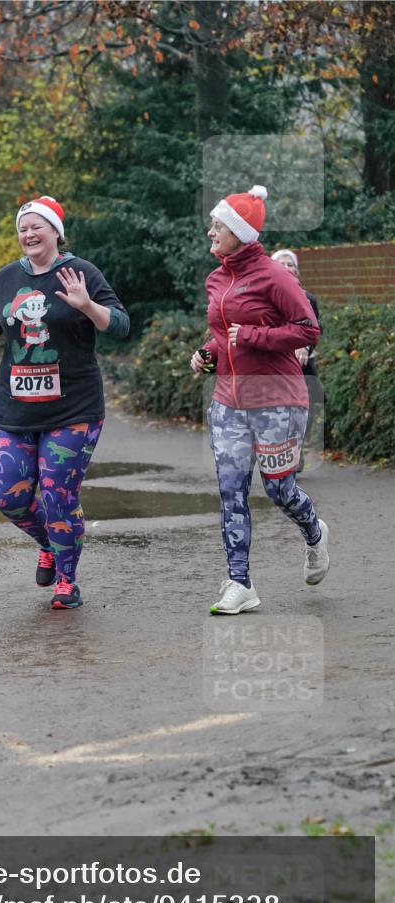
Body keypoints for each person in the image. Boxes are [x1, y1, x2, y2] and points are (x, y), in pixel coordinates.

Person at [0, 195, 129, 609]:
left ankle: (67, 580)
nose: (28, 234)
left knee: (58, 495)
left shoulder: (80, 273)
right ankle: (49, 543)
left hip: (73, 409)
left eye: (36, 227)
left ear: (55, 231)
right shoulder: (7, 277)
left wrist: (87, 305)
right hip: (13, 410)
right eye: (22, 229)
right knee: (9, 496)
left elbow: (120, 324)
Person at [190, 185, 330, 614]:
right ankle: (240, 582)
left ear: (239, 232)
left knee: (277, 489)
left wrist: (253, 336)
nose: (211, 231)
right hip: (229, 400)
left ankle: (315, 532)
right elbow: (222, 334)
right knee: (231, 490)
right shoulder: (217, 277)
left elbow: (308, 329)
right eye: (213, 223)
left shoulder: (274, 276)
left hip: (277, 401)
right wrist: (208, 353)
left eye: (219, 225)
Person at [271, 249, 325, 473]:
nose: (286, 268)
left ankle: (297, 446)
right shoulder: (268, 298)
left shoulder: (308, 298)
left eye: (290, 264)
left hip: (303, 364)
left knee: (315, 398)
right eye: (281, 264)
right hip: (276, 364)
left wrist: (304, 346)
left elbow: (315, 327)